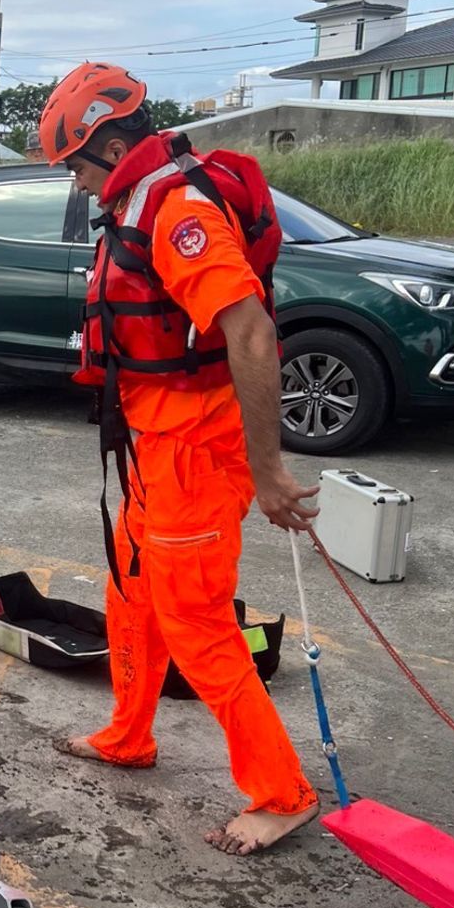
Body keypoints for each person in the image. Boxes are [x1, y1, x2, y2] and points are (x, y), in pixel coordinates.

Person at [38, 62, 321, 856]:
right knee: (130, 587)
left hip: (198, 450)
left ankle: (282, 792)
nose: (76, 183)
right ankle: (129, 733)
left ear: (116, 142)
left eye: (77, 166)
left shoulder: (177, 211)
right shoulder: (137, 198)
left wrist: (268, 472)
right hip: (155, 447)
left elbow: (252, 332)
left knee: (198, 628)